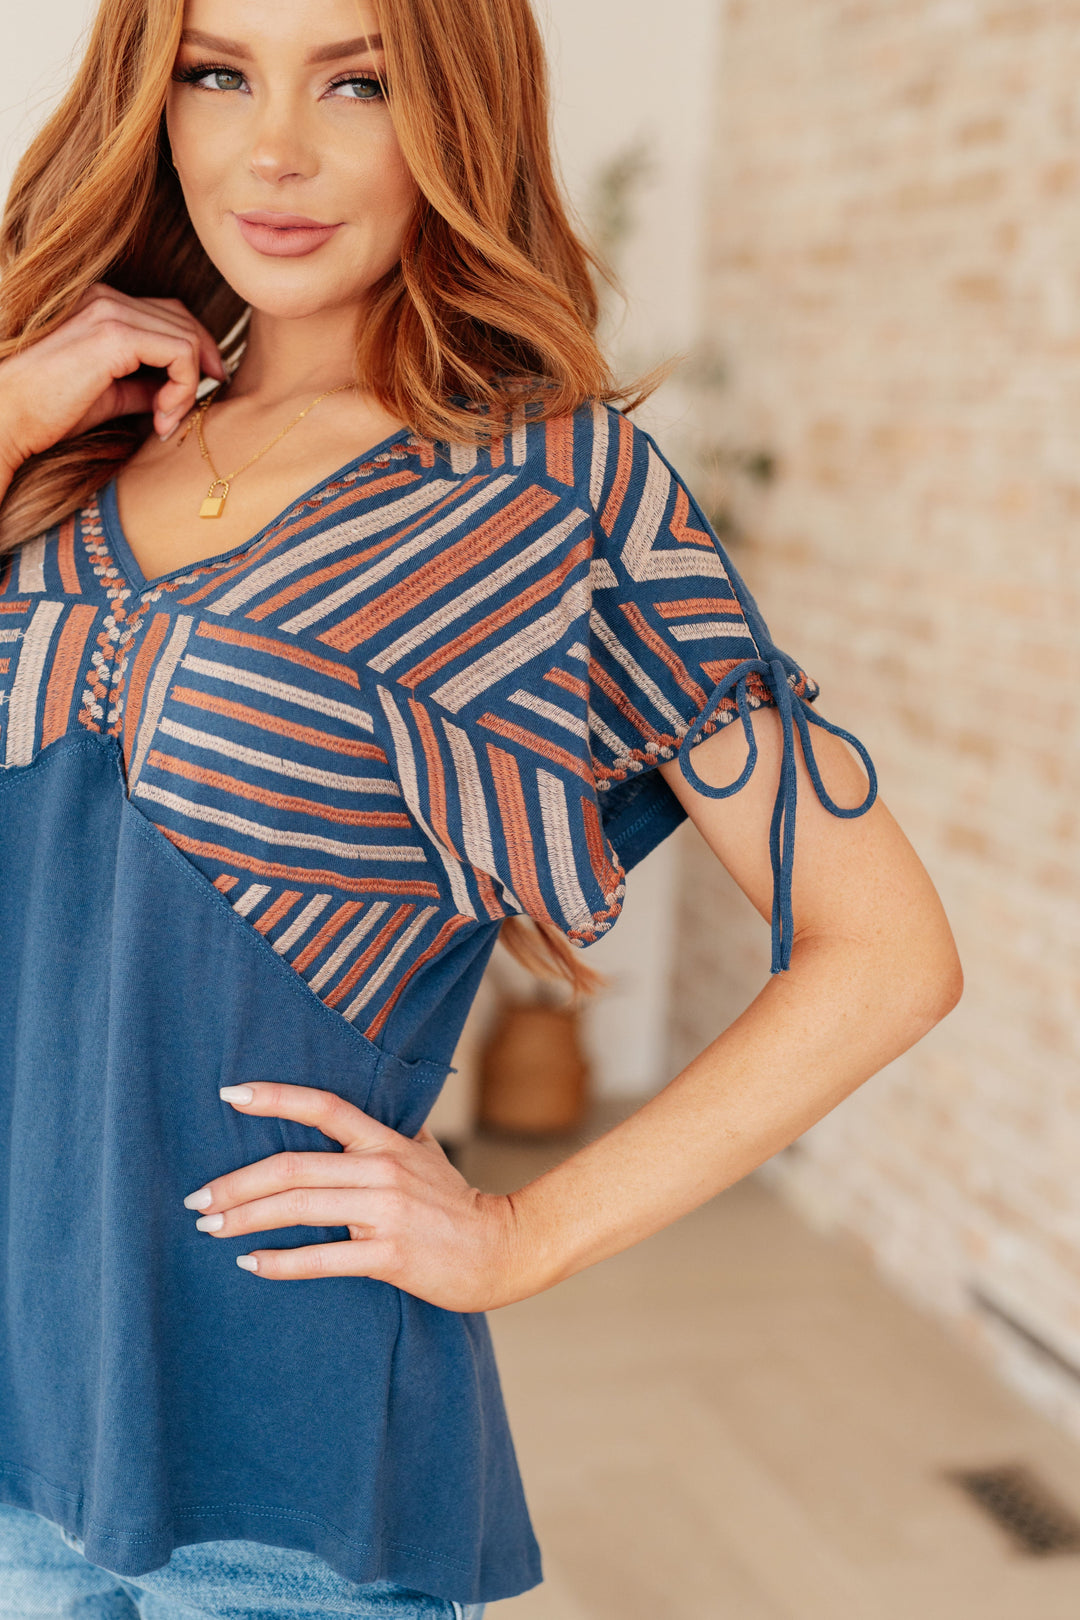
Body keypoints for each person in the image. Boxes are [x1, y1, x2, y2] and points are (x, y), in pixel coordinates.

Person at [0, 0, 963, 1614]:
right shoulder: (71, 440)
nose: (277, 147)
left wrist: (518, 1237)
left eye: (358, 80)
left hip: (280, 1466)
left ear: (458, 110)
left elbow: (888, 954)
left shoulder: (553, 491)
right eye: (218, 73)